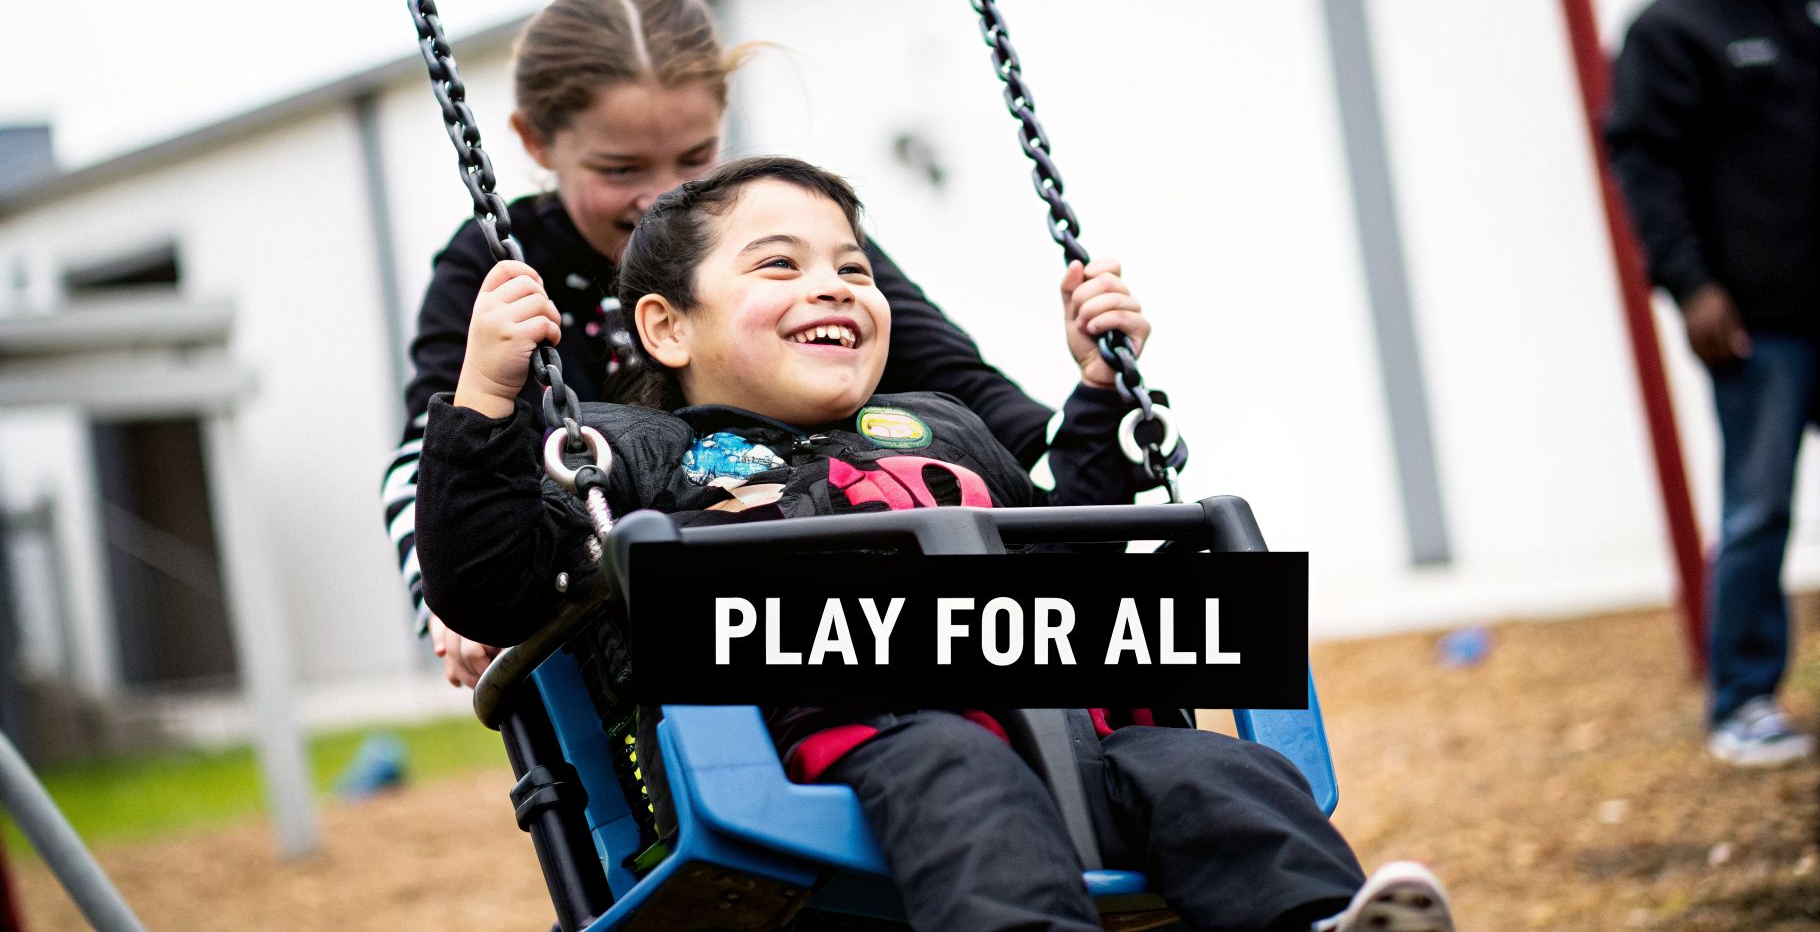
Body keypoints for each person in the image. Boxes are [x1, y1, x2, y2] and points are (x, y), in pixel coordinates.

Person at [413, 157, 1454, 932]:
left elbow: (1060, 545)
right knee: (963, 775)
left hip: (1072, 727)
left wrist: (1099, 397)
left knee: (1215, 773)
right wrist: (484, 400)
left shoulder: (938, 425)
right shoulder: (636, 453)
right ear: (668, 328)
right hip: (856, 747)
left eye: (852, 269)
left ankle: (1318, 921)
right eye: (780, 266)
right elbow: (491, 579)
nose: (833, 287)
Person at [382, 0, 1091, 690]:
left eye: (694, 159)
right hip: (639, 610)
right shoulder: (503, 264)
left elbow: (969, 396)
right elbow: (430, 450)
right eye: (620, 167)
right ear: (536, 142)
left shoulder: (789, 250)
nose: (657, 194)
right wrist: (443, 601)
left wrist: (1095, 425)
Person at [1605, 0, 1820, 767]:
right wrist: (1692, 287)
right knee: (1759, 508)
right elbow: (1644, 166)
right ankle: (1743, 702)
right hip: (1757, 325)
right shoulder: (1673, 27)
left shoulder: (1806, 0)